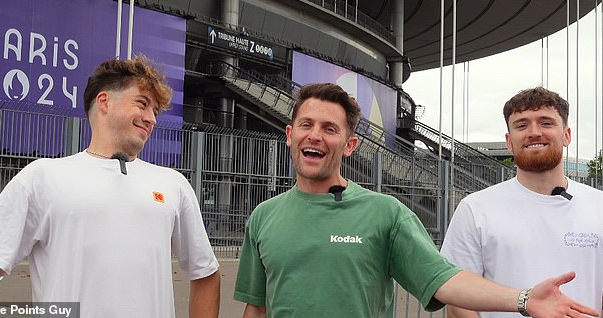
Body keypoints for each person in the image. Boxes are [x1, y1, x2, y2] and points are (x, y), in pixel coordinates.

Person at [233, 82, 600, 318]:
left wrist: (523, 300)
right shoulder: (263, 217)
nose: (315, 136)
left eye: (330, 129)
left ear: (349, 145)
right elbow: (257, 307)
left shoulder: (384, 213)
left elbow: (446, 281)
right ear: (289, 134)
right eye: (306, 125)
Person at [0, 57, 220, 318]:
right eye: (142, 104)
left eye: (155, 112)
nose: (151, 119)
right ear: (104, 101)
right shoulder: (43, 177)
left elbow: (206, 273)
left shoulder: (173, 185)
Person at [441, 86, 603, 318]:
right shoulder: (475, 209)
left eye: (546, 123)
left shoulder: (599, 206)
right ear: (509, 141)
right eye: (521, 125)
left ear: (567, 135)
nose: (534, 132)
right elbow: (457, 297)